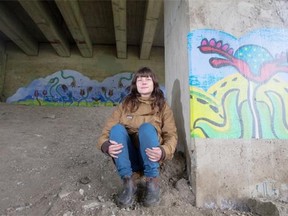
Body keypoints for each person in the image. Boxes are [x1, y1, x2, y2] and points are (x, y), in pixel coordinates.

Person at [96, 66, 178, 208]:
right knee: (116, 129)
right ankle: (129, 183)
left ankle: (152, 182)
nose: (144, 82)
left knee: (146, 128)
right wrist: (106, 146)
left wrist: (163, 150)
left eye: (148, 79)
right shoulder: (125, 105)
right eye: (140, 79)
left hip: (151, 157)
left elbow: (171, 135)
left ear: (154, 84)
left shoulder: (163, 106)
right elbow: (105, 132)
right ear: (135, 84)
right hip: (129, 159)